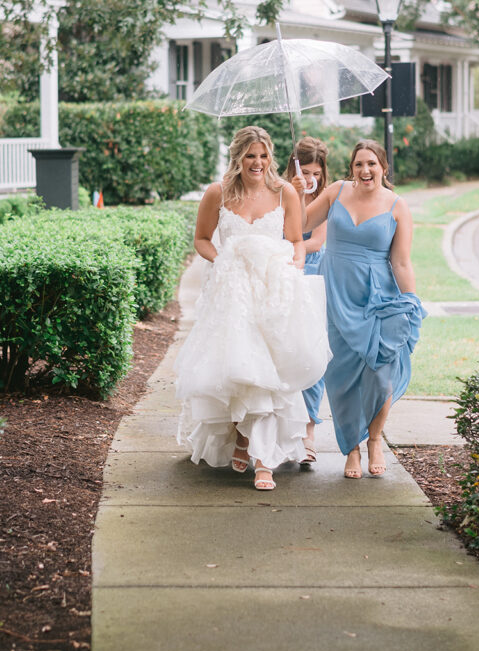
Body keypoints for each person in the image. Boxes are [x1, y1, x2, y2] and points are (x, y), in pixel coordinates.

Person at [175, 125, 331, 490]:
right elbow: (201, 240)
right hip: (230, 292)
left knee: (270, 374)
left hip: (271, 290)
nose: (257, 162)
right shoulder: (218, 193)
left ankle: (265, 460)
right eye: (250, 156)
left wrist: (292, 270)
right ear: (238, 157)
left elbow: (296, 241)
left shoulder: (284, 193)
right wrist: (223, 259)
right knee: (237, 369)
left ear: (270, 157)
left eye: (262, 156)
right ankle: (241, 437)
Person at [296, 139, 425, 479]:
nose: (365, 170)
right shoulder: (336, 192)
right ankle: (351, 447)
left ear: (383, 167)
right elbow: (298, 225)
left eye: (371, 164)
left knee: (380, 376)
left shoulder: (397, 206)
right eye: (358, 164)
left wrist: (410, 302)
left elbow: (400, 261)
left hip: (378, 297)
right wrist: (297, 194)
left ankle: (374, 438)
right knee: (340, 379)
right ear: (350, 168)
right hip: (335, 293)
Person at [284, 137, 329, 465]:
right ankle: (285, 430)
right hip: (284, 278)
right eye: (306, 171)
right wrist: (296, 194)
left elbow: (314, 242)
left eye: (317, 172)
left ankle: (310, 429)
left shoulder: (324, 199)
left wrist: (292, 250)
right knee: (286, 354)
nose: (311, 178)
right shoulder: (282, 193)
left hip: (314, 278)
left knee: (313, 355)